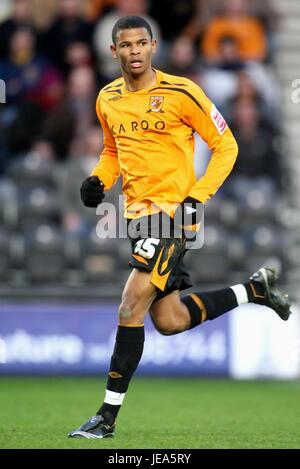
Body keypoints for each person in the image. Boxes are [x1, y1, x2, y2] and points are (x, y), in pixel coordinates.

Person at [68, 15, 291, 439]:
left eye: (141, 44)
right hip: (135, 218)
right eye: (125, 45)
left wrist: (197, 197)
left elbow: (227, 145)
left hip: (174, 216)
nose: (134, 51)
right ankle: (253, 290)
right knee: (168, 320)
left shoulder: (182, 91)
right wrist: (99, 179)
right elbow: (112, 150)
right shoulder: (107, 98)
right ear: (113, 51)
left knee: (130, 303)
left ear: (153, 46)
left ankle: (106, 417)